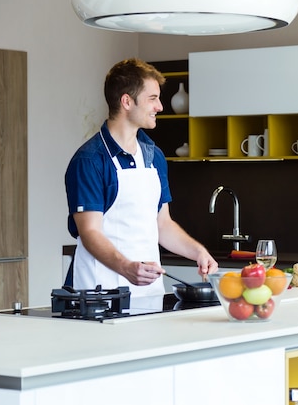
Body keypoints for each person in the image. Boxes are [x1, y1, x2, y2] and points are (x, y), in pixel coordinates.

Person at [64, 58, 218, 300]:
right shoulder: (90, 160)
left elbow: (163, 224)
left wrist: (198, 252)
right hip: (99, 293)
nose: (160, 107)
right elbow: (90, 232)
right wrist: (127, 268)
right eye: (153, 98)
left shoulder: (153, 155)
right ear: (127, 101)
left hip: (148, 292)